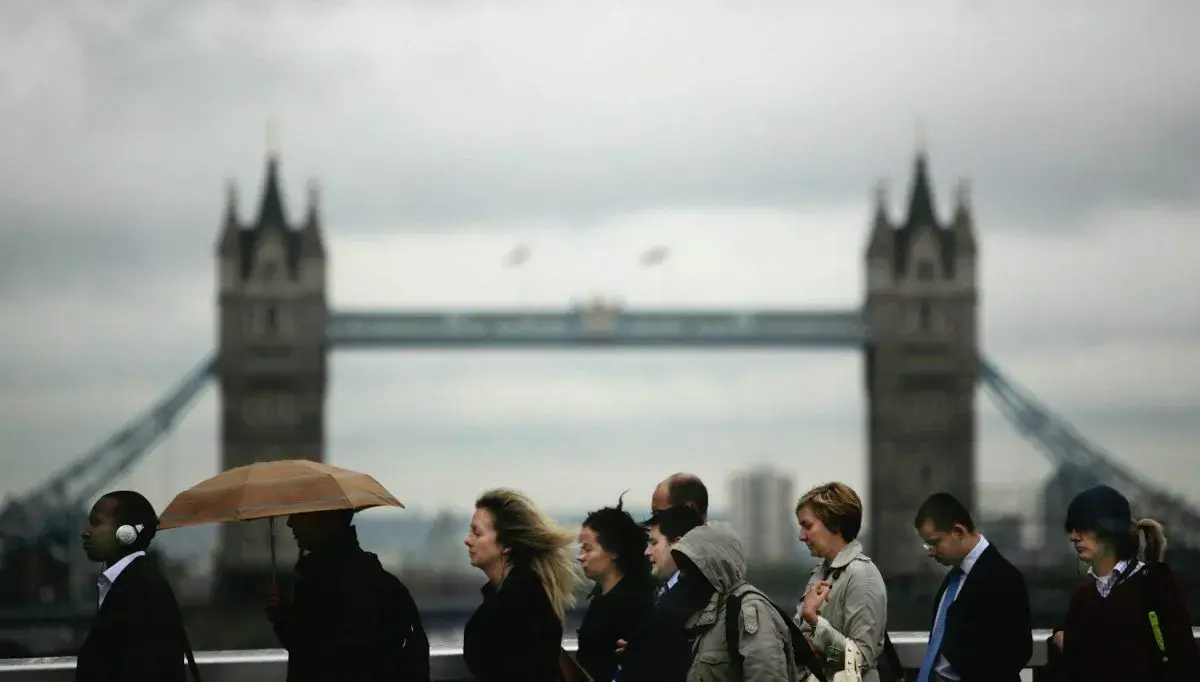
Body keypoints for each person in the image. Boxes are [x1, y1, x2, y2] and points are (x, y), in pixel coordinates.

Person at [265, 509, 430, 682]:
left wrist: (284, 618)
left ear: (326, 518)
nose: (290, 522)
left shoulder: (326, 588)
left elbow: (321, 660)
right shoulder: (383, 584)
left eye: (300, 513)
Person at [1056, 484, 1199, 681]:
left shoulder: (1153, 585)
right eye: (1072, 528)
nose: (1074, 536)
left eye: (1083, 527)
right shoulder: (1083, 595)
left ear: (1110, 530)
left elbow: (1182, 659)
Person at [76, 490, 197, 682]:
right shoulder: (137, 583)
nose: (86, 531)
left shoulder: (142, 591)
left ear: (126, 533)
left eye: (96, 522)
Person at [912, 492, 1032, 682]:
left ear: (958, 531)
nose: (931, 552)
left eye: (934, 543)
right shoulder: (955, 578)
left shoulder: (1003, 578)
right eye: (928, 545)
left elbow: (1015, 653)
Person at [462, 488, 579, 682]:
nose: (468, 540)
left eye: (477, 533)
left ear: (506, 545)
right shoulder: (509, 595)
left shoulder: (523, 603)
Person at [673, 523, 797, 681]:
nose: (683, 577)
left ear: (716, 566)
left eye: (692, 568)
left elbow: (767, 675)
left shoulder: (749, 609)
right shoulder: (711, 613)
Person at [795, 482, 888, 682]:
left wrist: (814, 619)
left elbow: (861, 659)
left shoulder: (862, 574)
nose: (802, 536)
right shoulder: (821, 573)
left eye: (807, 526)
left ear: (835, 524)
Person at [614, 503, 705, 682]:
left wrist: (641, 651)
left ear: (678, 544)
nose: (647, 552)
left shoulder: (688, 599)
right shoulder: (668, 593)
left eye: (654, 543)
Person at [572, 494, 656, 682]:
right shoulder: (607, 599)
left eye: (587, 548)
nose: (580, 556)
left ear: (614, 551)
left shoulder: (628, 607)